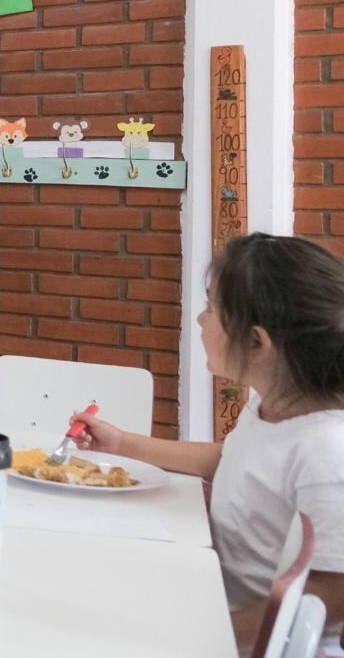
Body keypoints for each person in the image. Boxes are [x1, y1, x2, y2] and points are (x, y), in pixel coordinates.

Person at [69, 233, 344, 652]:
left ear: (257, 341)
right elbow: (229, 459)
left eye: (211, 308)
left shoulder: (325, 449)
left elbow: (332, 591)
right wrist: (123, 443)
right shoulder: (272, 408)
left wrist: (208, 635)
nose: (200, 321)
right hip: (212, 599)